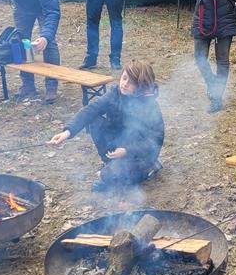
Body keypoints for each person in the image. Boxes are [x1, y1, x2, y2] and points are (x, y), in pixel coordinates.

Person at [47, 60, 164, 192]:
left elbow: (155, 140)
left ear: (140, 86)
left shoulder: (150, 106)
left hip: (140, 155)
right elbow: (91, 110)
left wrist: (127, 150)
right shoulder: (115, 94)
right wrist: (67, 132)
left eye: (131, 82)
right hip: (120, 142)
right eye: (124, 78)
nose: (124, 84)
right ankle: (110, 162)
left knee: (108, 176)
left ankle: (149, 169)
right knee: (94, 119)